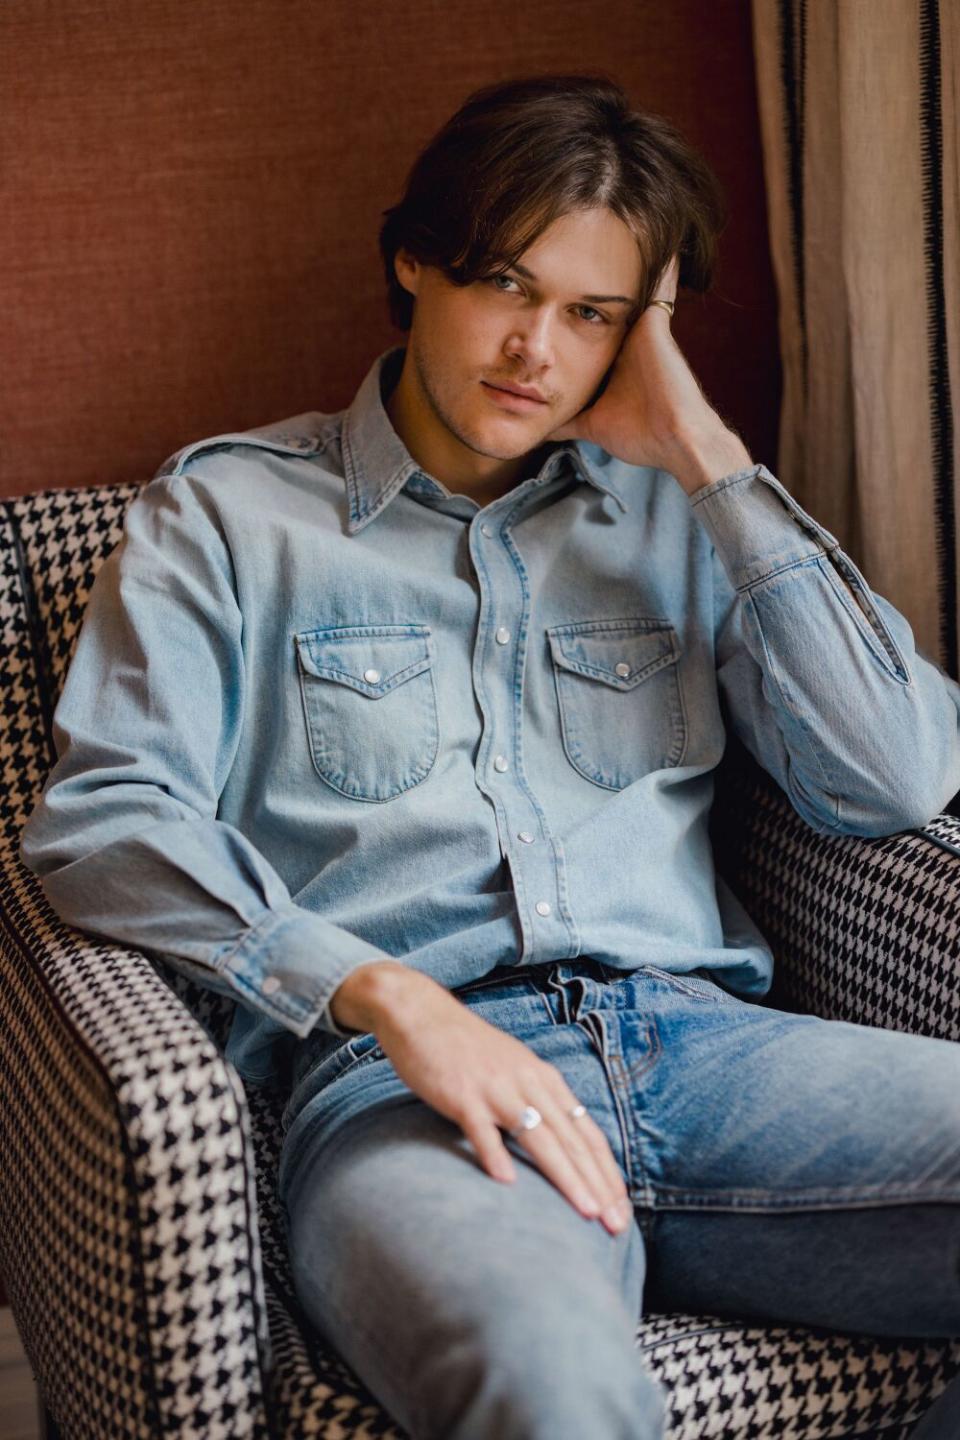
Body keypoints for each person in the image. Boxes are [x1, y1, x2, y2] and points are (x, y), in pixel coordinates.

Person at [19, 71, 960, 1440]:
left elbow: (900, 776)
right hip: (408, 1101)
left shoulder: (673, 517)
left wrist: (705, 457)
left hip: (711, 1053)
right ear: (415, 262)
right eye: (505, 286)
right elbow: (104, 817)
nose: (536, 348)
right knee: (548, 1392)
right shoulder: (225, 515)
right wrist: (384, 996)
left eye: (592, 314)